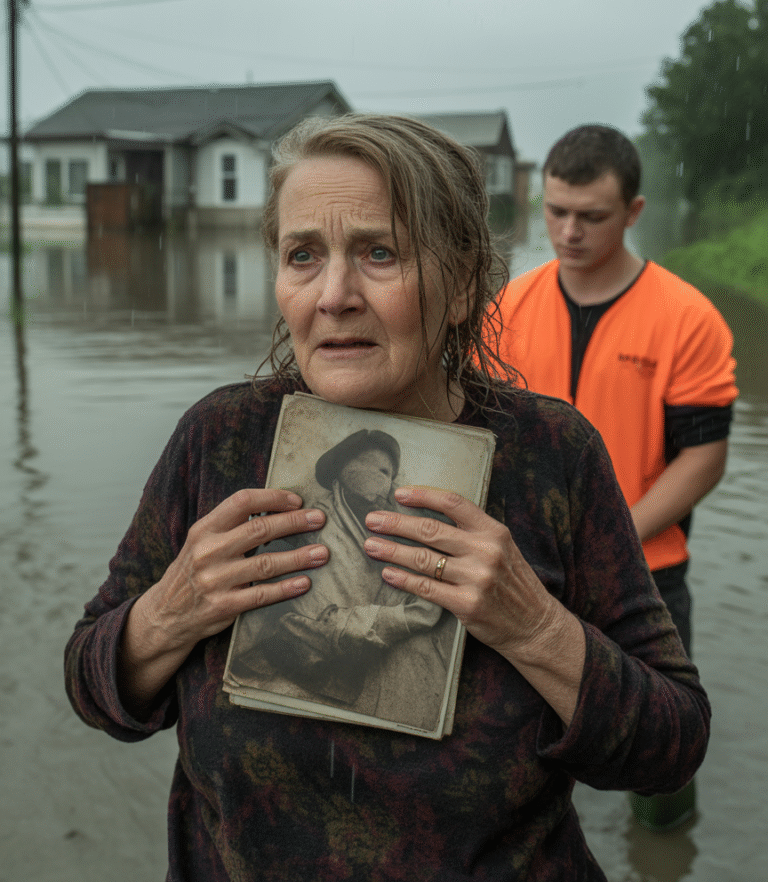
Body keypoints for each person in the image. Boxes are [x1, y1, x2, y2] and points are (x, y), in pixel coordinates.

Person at [65, 113, 710, 881]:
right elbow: (93, 690)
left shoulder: (550, 455)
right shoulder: (222, 442)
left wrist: (535, 627)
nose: (334, 295)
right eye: (303, 255)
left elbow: (670, 748)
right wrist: (171, 613)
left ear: (463, 283)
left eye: (380, 253)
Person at [493, 124, 737, 827]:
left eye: (591, 216)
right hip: (527, 572)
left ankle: (665, 848)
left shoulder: (687, 318)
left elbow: (705, 457)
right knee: (511, 754)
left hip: (645, 576)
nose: (569, 232)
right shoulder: (506, 309)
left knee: (662, 756)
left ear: (633, 211)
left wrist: (611, 535)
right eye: (556, 212)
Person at [227, 429, 456, 730]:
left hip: (361, 675)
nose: (389, 484)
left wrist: (360, 621)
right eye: (382, 471)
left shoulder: (396, 528)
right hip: (293, 665)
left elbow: (422, 606)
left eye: (391, 475)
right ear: (347, 471)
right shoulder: (311, 523)